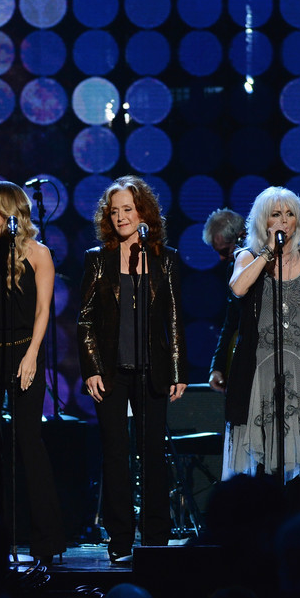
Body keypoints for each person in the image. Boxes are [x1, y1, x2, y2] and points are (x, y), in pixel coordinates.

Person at [77, 175, 188, 563]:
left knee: (152, 454)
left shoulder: (165, 258)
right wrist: (91, 367)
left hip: (152, 369)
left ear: (143, 212)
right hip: (111, 371)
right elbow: (86, 319)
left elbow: (173, 316)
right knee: (115, 454)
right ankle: (120, 539)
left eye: (128, 209)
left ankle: (156, 537)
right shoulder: (97, 258)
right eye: (115, 211)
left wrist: (176, 369)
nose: (121, 216)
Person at [222, 186, 300, 509]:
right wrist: (267, 253)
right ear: (264, 221)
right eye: (276, 214)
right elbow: (237, 288)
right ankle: (267, 533)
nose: (284, 221)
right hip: (262, 378)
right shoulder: (248, 257)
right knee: (267, 464)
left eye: (290, 214)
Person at [0, 180, 65, 564]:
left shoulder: (38, 254)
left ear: (9, 210)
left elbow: (43, 311)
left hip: (24, 351)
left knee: (28, 441)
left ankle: (46, 540)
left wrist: (32, 354)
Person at [202, 209, 246, 393]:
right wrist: (217, 368)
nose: (220, 258)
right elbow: (231, 322)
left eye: (224, 251)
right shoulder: (232, 270)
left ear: (241, 237)